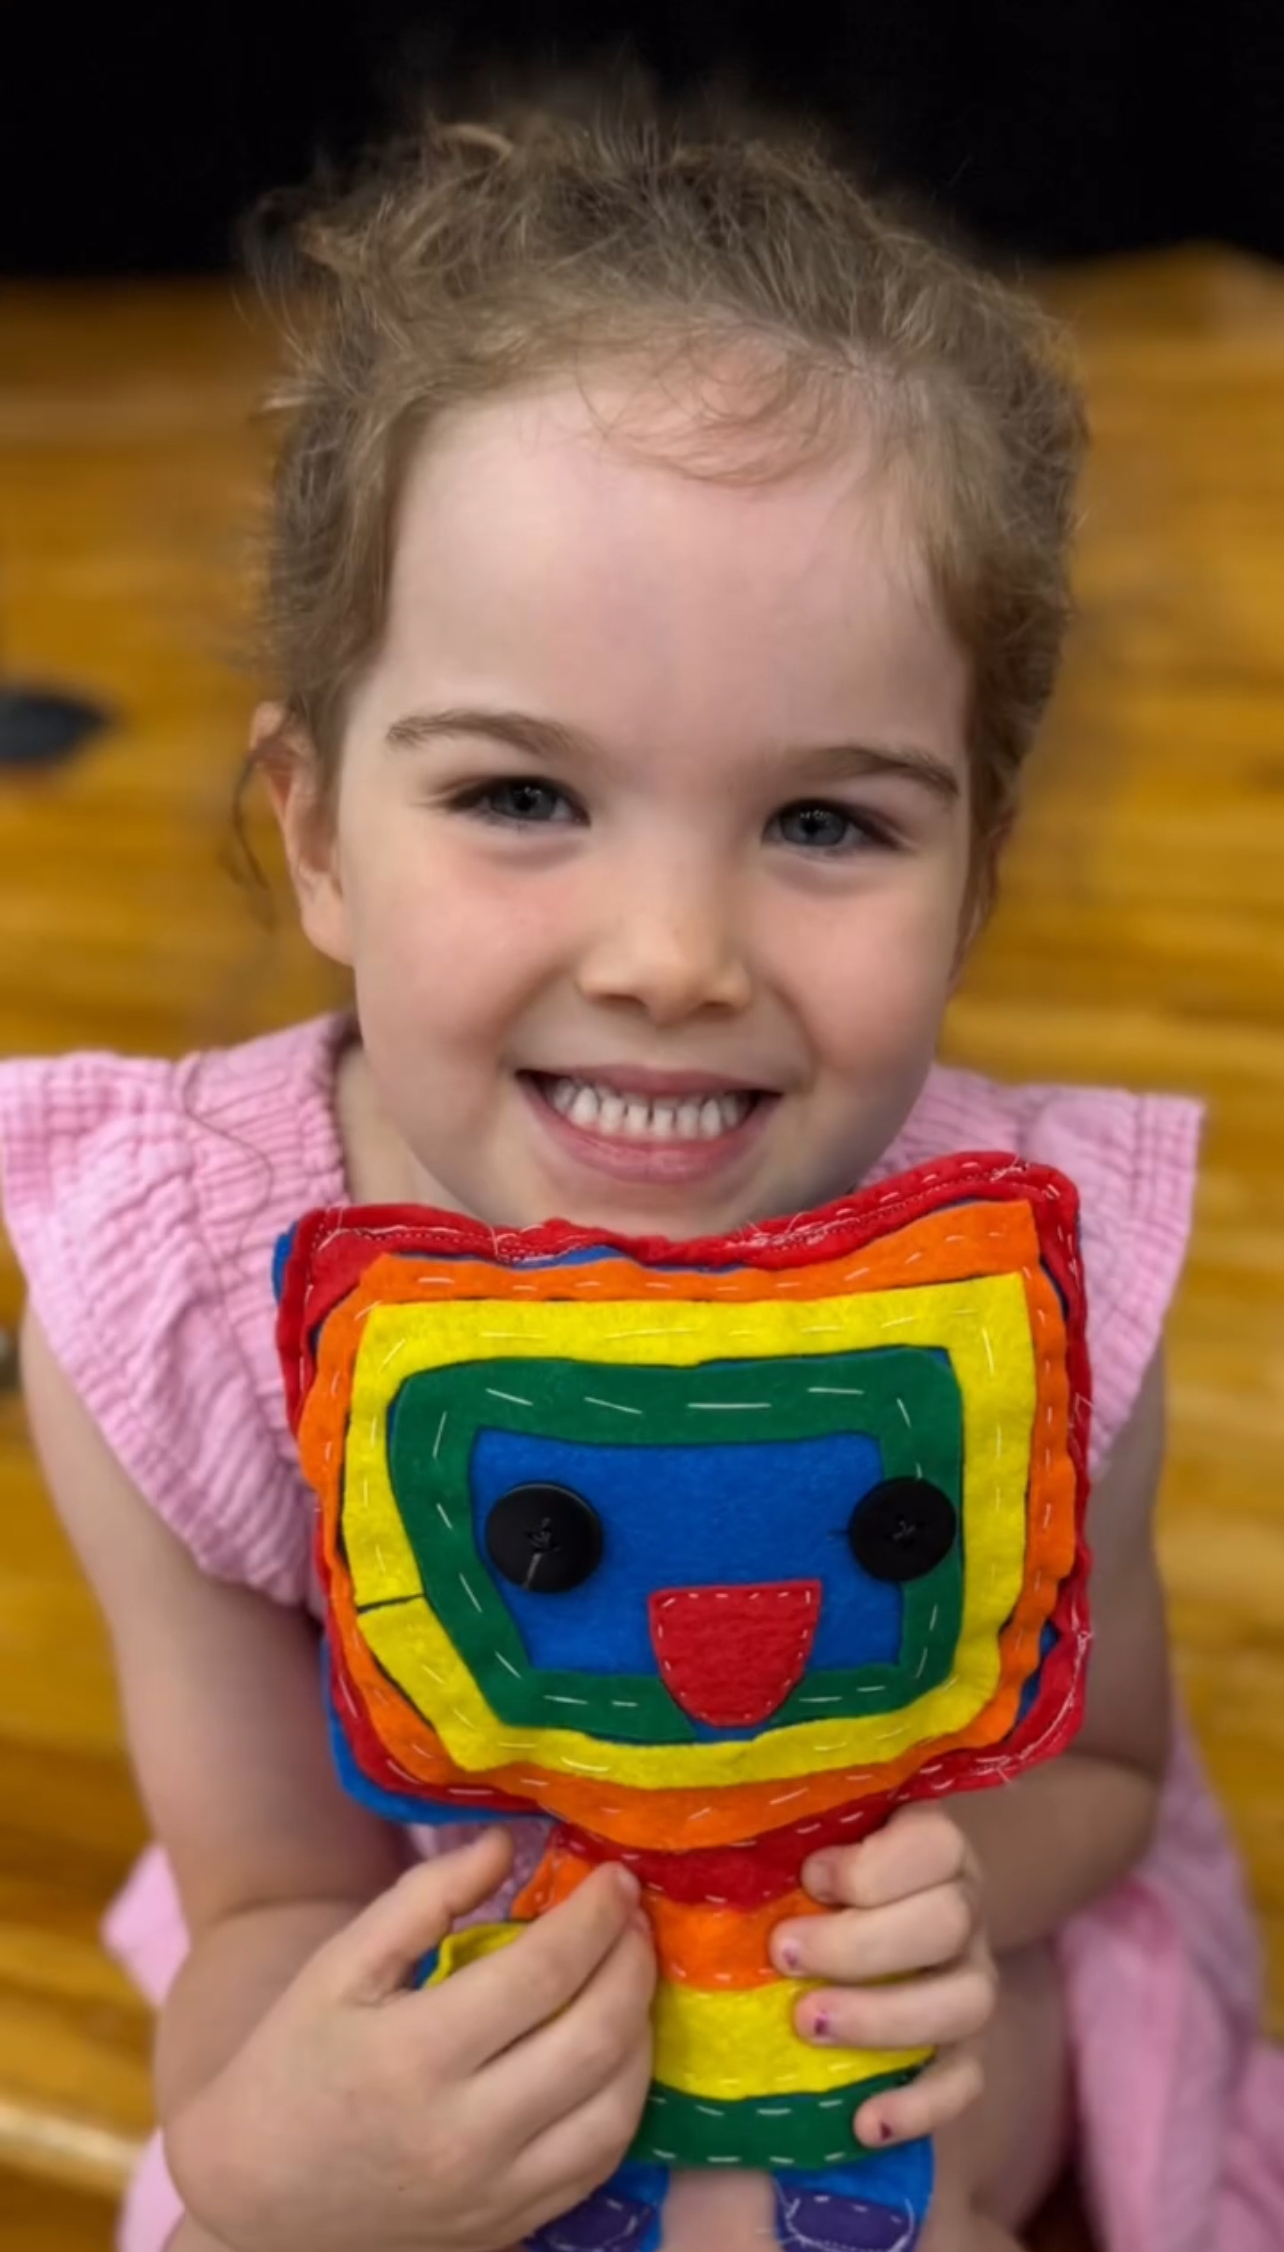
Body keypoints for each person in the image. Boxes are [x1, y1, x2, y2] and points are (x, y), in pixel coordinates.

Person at [2, 104, 1280, 2252]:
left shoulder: (1037, 1303)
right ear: (317, 833)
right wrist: (271, 2156)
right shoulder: (181, 1306)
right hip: (448, 1977)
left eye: (825, 824)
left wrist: (966, 1882)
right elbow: (269, 1898)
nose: (674, 959)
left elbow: (1107, 1779)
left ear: (974, 867)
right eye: (521, 791)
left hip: (910, 2014)